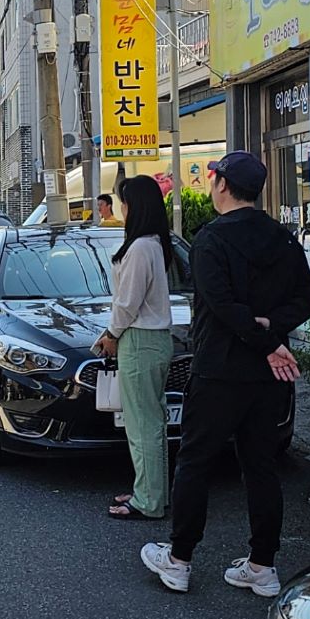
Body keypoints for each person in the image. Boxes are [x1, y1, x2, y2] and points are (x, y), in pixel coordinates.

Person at [141, 151, 310, 597]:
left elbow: (220, 307)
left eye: (214, 176)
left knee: (195, 462)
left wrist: (266, 338)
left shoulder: (210, 240)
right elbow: (306, 299)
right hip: (266, 378)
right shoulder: (283, 238)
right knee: (261, 467)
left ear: (220, 183)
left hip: (218, 371)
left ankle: (179, 559)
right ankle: (262, 565)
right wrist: (274, 334)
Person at [97, 176, 175, 522]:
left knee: (142, 425)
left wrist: (111, 334)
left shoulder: (141, 247)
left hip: (140, 341)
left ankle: (148, 500)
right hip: (152, 340)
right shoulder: (154, 243)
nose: (121, 209)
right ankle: (153, 492)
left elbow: (127, 303)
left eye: (123, 203)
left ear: (135, 206)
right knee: (152, 422)